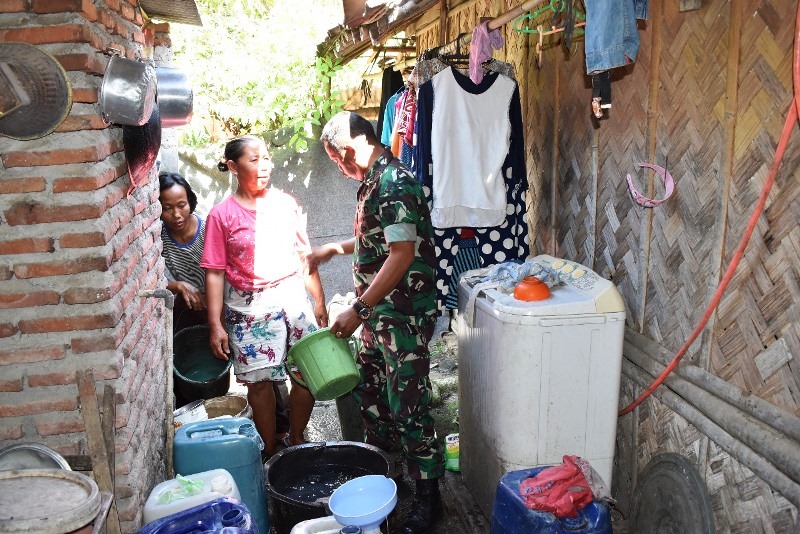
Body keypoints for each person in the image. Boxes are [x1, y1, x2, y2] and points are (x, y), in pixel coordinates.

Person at [309, 111, 445, 534]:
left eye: (337, 160)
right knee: (372, 394)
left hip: (401, 314)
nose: (340, 168)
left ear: (350, 147)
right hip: (380, 316)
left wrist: (359, 310)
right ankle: (391, 477)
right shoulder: (373, 181)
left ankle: (430, 497)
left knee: (408, 404)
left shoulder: (395, 182)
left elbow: (402, 253)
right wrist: (335, 248)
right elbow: (379, 238)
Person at [200, 136, 327, 457]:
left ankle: (297, 439)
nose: (264, 166)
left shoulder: (285, 203)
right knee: (258, 385)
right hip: (248, 311)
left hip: (293, 302)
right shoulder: (221, 215)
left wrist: (320, 300)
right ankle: (269, 450)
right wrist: (215, 324)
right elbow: (214, 272)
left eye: (266, 158)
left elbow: (304, 256)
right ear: (232, 166)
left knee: (307, 374)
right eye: (253, 160)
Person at [159, 171, 292, 433]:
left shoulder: (209, 227)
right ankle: (202, 422)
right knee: (198, 365)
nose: (176, 214)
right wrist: (176, 285)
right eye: (167, 208)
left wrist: (215, 303)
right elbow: (148, 275)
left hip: (230, 306)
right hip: (193, 311)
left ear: (191, 202)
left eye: (181, 205)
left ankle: (281, 421)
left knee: (259, 365)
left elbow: (228, 270)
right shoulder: (159, 237)